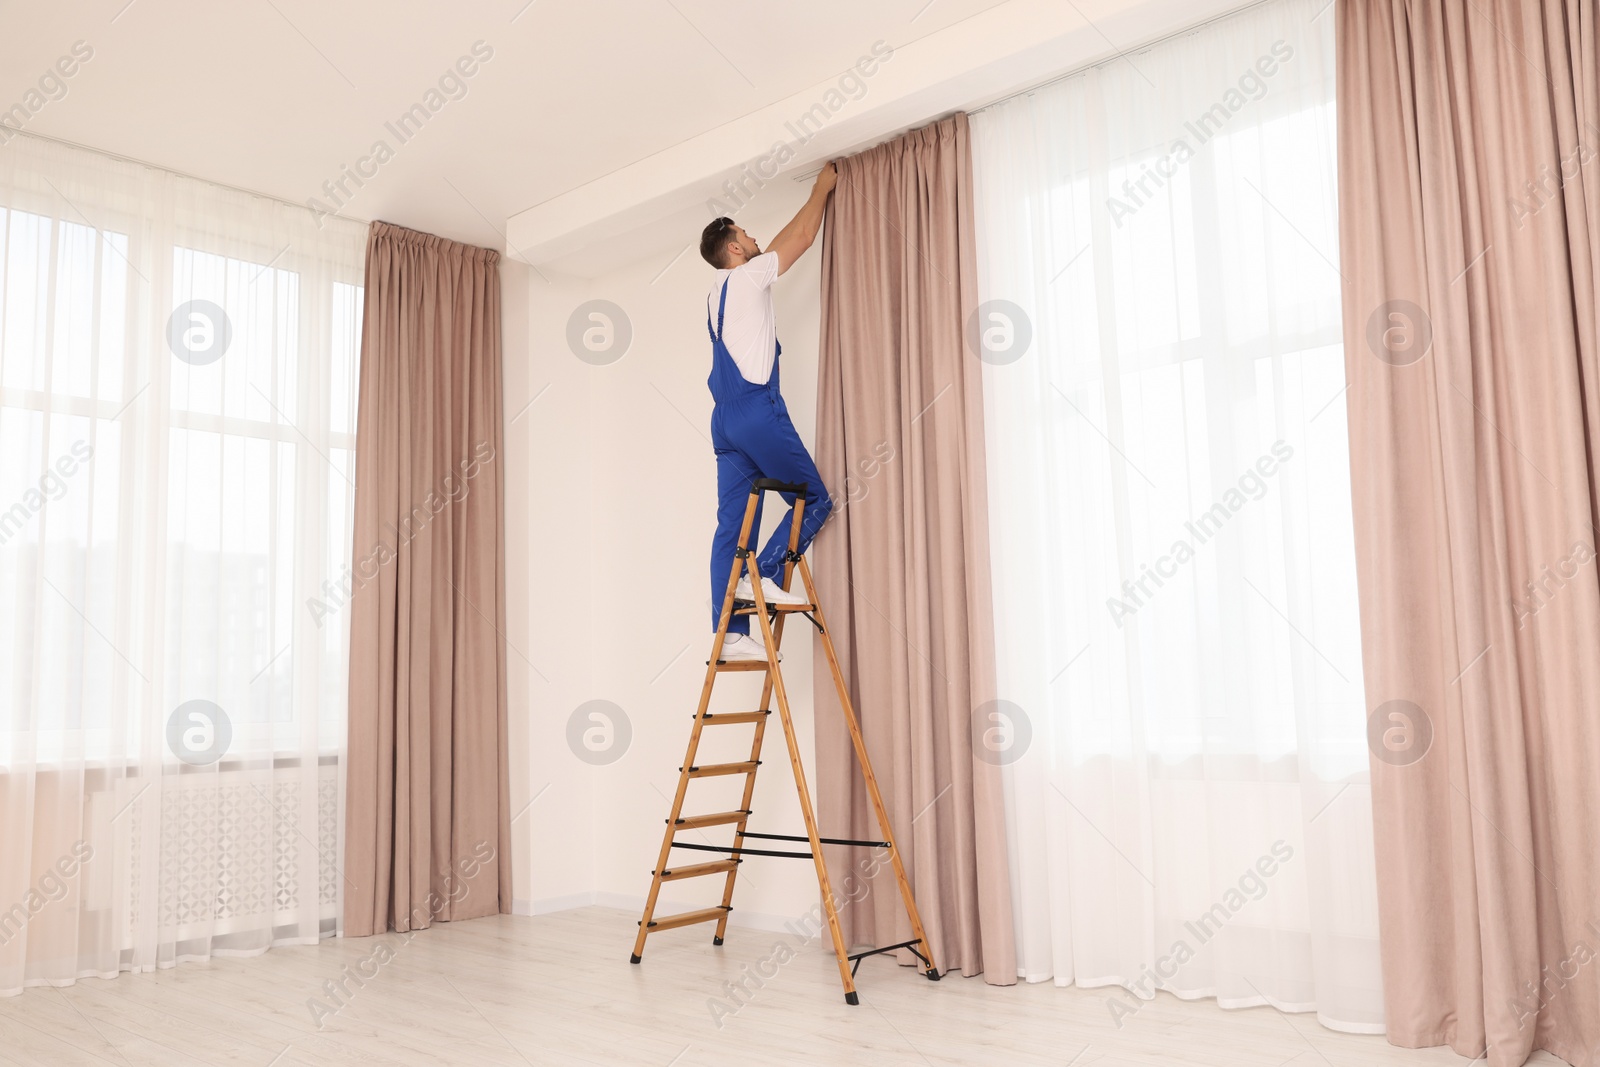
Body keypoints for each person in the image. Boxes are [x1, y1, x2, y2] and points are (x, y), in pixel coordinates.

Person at [700, 162, 838, 661]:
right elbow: (799, 236)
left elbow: (776, 244)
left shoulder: (715, 293)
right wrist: (823, 187)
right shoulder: (749, 274)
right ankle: (768, 578)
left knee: (732, 524)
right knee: (814, 498)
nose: (756, 239)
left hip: (724, 421)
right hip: (757, 412)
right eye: (747, 235)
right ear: (734, 248)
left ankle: (731, 633)